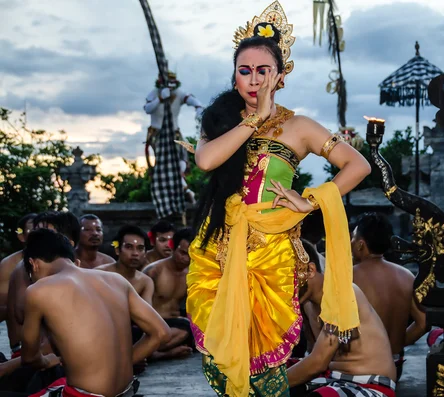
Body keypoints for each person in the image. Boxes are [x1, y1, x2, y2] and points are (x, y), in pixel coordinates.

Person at [186, 2, 371, 395]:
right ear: (234, 76)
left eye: (263, 71)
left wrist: (313, 200)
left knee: (265, 371)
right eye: (244, 71)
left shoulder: (299, 127)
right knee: (221, 364)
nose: (253, 80)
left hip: (270, 253)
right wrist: (253, 119)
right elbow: (205, 160)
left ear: (281, 75)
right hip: (218, 248)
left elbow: (357, 165)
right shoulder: (219, 120)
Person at [21, 228, 170, 397]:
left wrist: (48, 360)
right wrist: (119, 364)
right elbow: (161, 332)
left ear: (34, 264)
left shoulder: (38, 290)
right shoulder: (117, 280)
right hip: (127, 391)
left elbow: (29, 358)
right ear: (75, 261)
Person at [287, 240, 397, 397]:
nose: (282, 288)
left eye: (285, 278)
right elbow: (311, 357)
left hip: (370, 385)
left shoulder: (341, 294)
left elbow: (318, 362)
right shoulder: (307, 304)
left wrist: (267, 387)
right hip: (333, 379)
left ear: (310, 269)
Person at [351, 212, 429, 380]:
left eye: (353, 239)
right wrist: (396, 344)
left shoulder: (350, 276)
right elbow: (423, 323)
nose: (350, 243)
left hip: (360, 367)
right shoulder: (406, 275)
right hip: (395, 366)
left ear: (360, 244)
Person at [7, 211, 80, 360]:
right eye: (37, 233)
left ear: (67, 241)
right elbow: (23, 315)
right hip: (31, 354)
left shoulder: (74, 267)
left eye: (46, 235)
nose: (39, 241)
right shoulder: (27, 268)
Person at [144, 71, 203, 203]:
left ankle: (184, 189)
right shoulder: (154, 93)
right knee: (166, 163)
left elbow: (191, 99)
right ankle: (184, 190)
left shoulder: (179, 93)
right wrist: (159, 99)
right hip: (158, 134)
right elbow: (147, 109)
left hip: (175, 133)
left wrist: (198, 107)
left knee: (182, 161)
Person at [143, 227, 195, 359]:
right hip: (152, 324)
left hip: (177, 324)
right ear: (173, 248)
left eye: (190, 255)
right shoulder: (154, 271)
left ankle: (152, 351)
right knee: (186, 327)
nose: (185, 259)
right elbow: (138, 305)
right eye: (182, 253)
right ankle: (155, 353)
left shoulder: (192, 274)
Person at [96, 225, 154, 305]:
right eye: (129, 247)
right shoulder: (99, 274)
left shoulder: (145, 281)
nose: (135, 253)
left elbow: (147, 313)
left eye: (140, 248)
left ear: (145, 253)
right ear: (117, 250)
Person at [0, 213, 36, 323]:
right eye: (33, 230)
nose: (39, 234)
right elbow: (2, 306)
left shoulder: (58, 261)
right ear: (21, 236)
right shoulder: (8, 264)